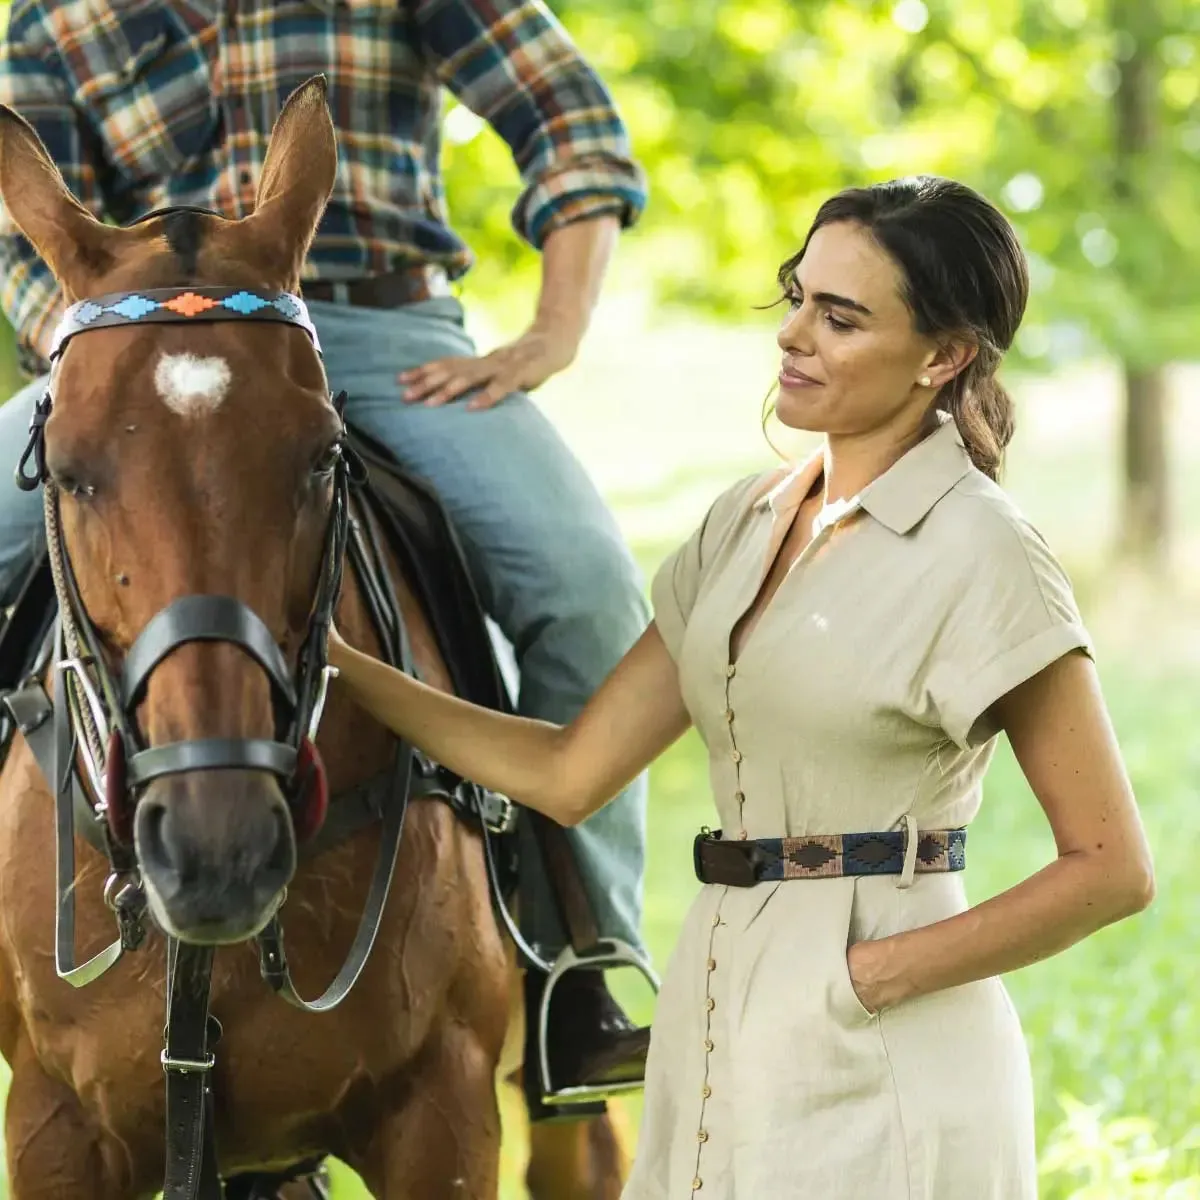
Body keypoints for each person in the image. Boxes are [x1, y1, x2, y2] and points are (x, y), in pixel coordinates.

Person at [323, 175, 1156, 1199]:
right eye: (796, 297)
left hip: (882, 1040)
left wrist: (867, 979)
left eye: (839, 317)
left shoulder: (985, 550)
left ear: (942, 358)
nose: (793, 335)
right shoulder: (744, 522)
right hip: (714, 1010)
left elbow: (1112, 868)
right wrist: (340, 670)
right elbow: (570, 770)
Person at [0, 0, 652, 1096]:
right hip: (135, 349)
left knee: (582, 587)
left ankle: (574, 964)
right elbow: (19, 238)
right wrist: (95, 333)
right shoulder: (61, 18)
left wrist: (555, 330)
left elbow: (569, 121)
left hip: (384, 331)